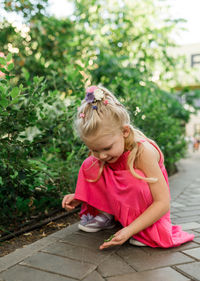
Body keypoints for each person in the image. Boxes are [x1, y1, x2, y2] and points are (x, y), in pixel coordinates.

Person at [62, 85, 194, 250]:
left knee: (133, 180)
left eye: (107, 148)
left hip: (150, 208)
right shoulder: (104, 153)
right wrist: (81, 196)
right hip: (122, 202)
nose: (102, 155)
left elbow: (163, 202)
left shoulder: (142, 152)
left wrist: (129, 230)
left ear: (124, 132)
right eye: (94, 149)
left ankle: (142, 226)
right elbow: (105, 181)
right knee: (90, 164)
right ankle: (106, 215)